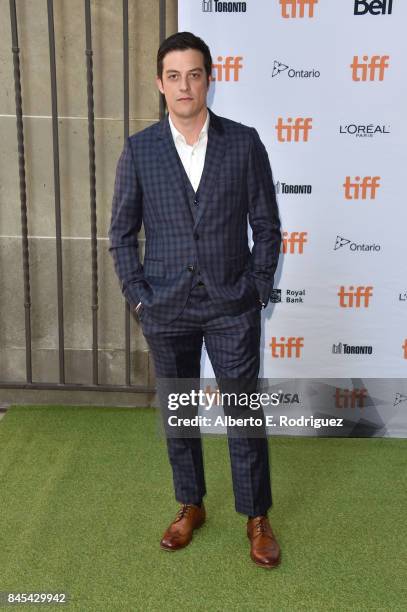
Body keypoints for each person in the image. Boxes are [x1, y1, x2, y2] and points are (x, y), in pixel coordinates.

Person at [109, 32, 281, 569]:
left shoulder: (244, 143)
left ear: (210, 79)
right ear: (161, 84)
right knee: (179, 414)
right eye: (174, 76)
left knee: (243, 416)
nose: (185, 85)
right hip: (167, 309)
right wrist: (140, 299)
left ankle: (255, 516)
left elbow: (267, 226)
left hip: (232, 305)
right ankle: (190, 505)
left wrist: (255, 288)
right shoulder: (140, 149)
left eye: (195, 74)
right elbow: (120, 234)